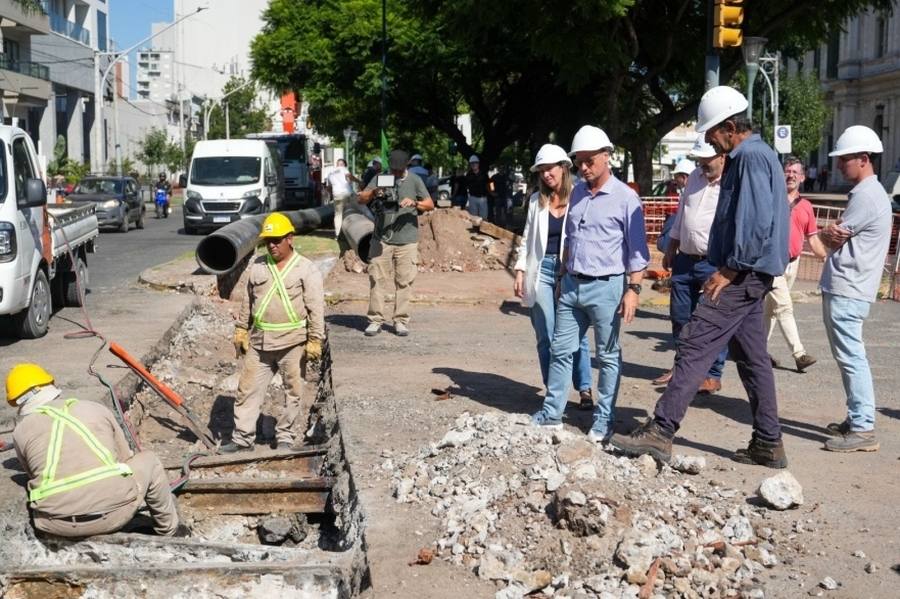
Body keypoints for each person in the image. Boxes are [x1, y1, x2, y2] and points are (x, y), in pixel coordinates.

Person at [610, 86, 790, 468]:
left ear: (729, 126)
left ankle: (661, 429)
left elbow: (755, 224)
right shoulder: (755, 155)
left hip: (741, 275)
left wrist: (729, 269)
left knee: (694, 343)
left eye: (712, 134)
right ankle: (768, 442)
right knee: (754, 359)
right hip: (749, 274)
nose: (710, 142)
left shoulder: (750, 158)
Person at [530, 126, 649, 442]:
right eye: (578, 161)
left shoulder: (626, 198)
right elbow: (570, 238)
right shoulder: (578, 194)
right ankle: (552, 413)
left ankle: (603, 420)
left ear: (607, 156)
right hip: (571, 285)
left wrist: (633, 290)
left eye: (589, 160)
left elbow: (638, 251)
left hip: (607, 287)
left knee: (608, 356)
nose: (583, 167)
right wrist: (562, 276)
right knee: (560, 350)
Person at [8, 363, 185, 538]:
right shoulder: (93, 407)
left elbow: (32, 473)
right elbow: (124, 459)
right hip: (116, 515)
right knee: (149, 460)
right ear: (50, 385)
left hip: (55, 525)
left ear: (17, 402)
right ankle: (170, 531)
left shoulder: (20, 432)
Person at [223, 213, 325, 453]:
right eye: (268, 240)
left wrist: (315, 339)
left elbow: (316, 308)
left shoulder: (306, 269)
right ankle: (242, 439)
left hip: (292, 342)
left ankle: (286, 437)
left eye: (277, 239)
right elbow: (248, 302)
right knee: (247, 390)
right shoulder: (258, 265)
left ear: (290, 238)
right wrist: (241, 329)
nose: (272, 245)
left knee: (293, 391)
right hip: (260, 342)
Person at [818, 126, 892, 452]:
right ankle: (858, 417)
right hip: (851, 286)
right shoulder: (870, 192)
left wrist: (825, 232)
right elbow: (833, 235)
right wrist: (828, 233)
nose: (839, 165)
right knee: (849, 356)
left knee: (851, 358)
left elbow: (832, 236)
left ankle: (862, 426)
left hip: (848, 287)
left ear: (864, 159)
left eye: (844, 159)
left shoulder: (865, 195)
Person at [514, 144, 593, 411]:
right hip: (542, 270)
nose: (547, 175)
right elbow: (527, 238)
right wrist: (520, 269)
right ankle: (553, 391)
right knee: (545, 333)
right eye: (542, 171)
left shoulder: (581, 195)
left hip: (571, 270)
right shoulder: (537, 200)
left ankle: (584, 387)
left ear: (564, 168)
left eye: (551, 169)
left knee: (575, 332)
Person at [654, 136, 728, 395]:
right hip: (685, 261)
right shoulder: (695, 177)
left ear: (721, 156)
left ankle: (712, 375)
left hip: (714, 263)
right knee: (680, 318)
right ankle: (683, 369)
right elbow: (682, 216)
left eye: (706, 159)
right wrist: (672, 246)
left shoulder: (732, 182)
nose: (701, 163)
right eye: (699, 158)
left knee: (713, 321)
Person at [358, 150, 435, 337]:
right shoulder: (381, 177)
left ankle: (400, 320)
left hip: (407, 240)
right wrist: (374, 192)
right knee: (377, 279)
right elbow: (360, 199)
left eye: (400, 170)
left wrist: (415, 203)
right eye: (393, 170)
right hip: (381, 238)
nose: (396, 173)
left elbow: (430, 204)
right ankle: (375, 320)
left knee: (404, 281)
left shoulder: (415, 180)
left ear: (407, 165)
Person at [764, 157, 827, 372]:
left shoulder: (806, 206)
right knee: (784, 307)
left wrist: (825, 258)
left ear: (802, 177)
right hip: (773, 264)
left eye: (795, 172)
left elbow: (813, 238)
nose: (790, 175)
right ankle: (799, 354)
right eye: (786, 171)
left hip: (793, 263)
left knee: (771, 310)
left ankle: (758, 351)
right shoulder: (770, 199)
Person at [325, 158, 361, 240]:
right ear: (343, 165)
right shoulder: (343, 169)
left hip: (337, 195)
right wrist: (359, 182)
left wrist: (333, 195)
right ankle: (373, 223)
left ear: (337, 164)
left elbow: (328, 187)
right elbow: (349, 176)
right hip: (348, 193)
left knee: (338, 215)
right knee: (362, 207)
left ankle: (337, 235)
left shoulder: (330, 173)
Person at [465, 155, 490, 221]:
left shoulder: (484, 174)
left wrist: (490, 192)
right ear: (470, 164)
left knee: (484, 217)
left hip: (483, 198)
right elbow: (466, 185)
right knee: (473, 217)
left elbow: (488, 184)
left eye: (475, 162)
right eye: (472, 163)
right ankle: (475, 230)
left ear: (478, 164)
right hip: (473, 197)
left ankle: (483, 231)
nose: (473, 164)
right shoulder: (468, 174)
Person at [490, 163, 512, 227]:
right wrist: (492, 192)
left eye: (503, 168)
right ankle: (498, 226)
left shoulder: (506, 177)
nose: (502, 169)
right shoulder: (495, 177)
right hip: (498, 197)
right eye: (500, 168)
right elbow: (489, 184)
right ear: (498, 169)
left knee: (507, 212)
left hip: (505, 197)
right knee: (498, 213)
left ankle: (507, 226)